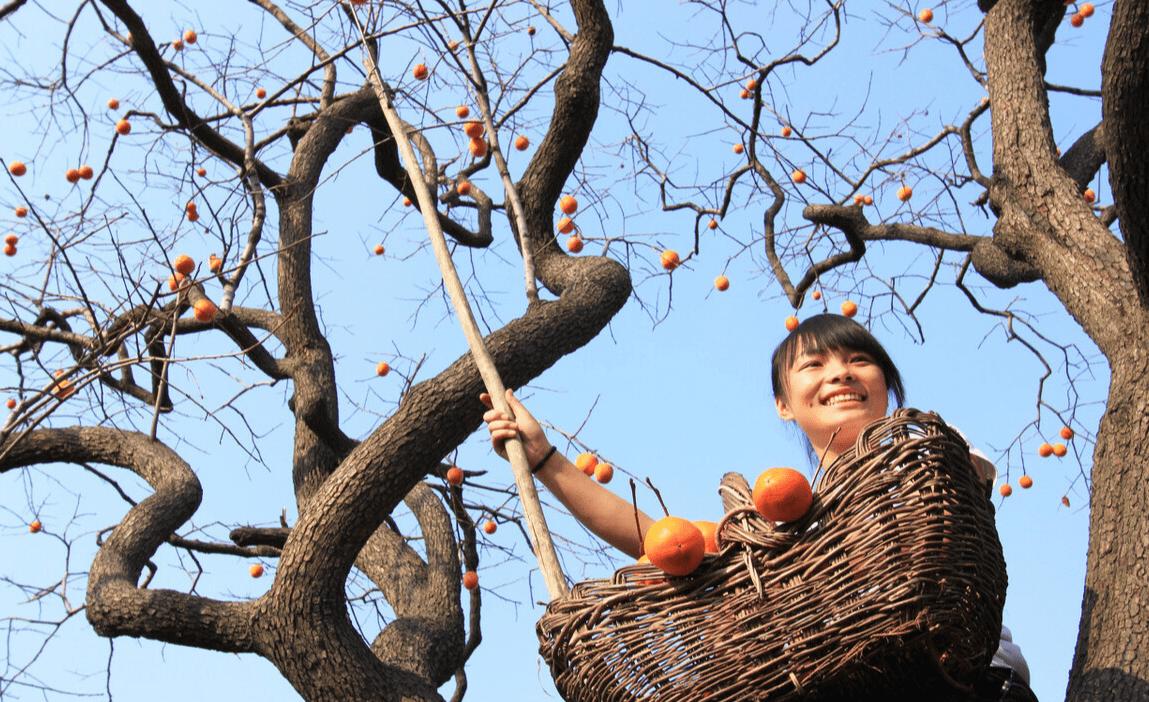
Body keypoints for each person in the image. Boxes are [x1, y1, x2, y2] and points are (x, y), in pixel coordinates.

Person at [482, 313, 1036, 702]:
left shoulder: (917, 452)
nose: (840, 373)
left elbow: (963, 476)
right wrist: (546, 459)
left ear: (888, 387)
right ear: (783, 405)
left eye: (859, 361)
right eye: (814, 366)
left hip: (966, 679)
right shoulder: (776, 518)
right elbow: (664, 541)